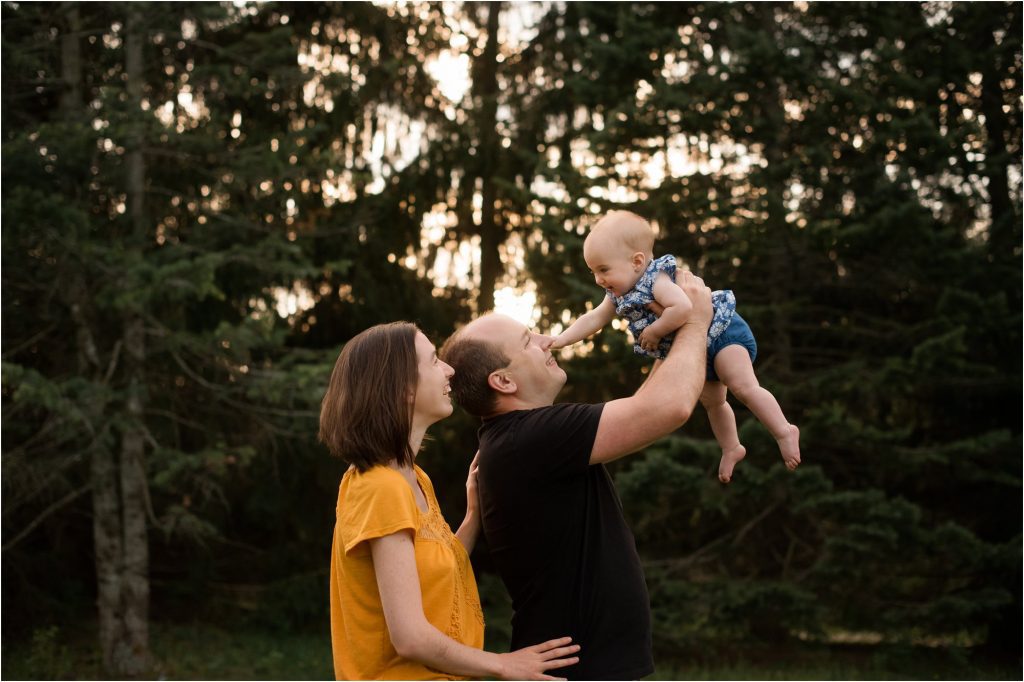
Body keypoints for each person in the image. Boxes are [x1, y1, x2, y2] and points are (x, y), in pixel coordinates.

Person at [439, 272, 714, 680]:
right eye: (527, 342)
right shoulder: (529, 438)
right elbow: (667, 408)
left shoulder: (520, 439)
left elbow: (647, 404)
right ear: (503, 381)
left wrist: (666, 341)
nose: (546, 341)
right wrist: (694, 322)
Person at [319, 322, 581, 680]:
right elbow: (410, 638)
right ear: (404, 389)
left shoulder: (414, 478)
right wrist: (504, 665)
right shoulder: (379, 487)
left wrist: (472, 517)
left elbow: (434, 575)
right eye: (433, 362)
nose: (450, 370)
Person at [548, 210, 801, 483]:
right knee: (714, 403)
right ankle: (731, 447)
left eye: (603, 270)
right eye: (593, 271)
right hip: (695, 347)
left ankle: (784, 431)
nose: (598, 279)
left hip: (722, 332)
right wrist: (561, 340)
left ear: (636, 261)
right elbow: (594, 318)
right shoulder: (617, 293)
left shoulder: (656, 280)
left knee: (741, 385)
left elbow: (683, 308)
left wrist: (655, 330)